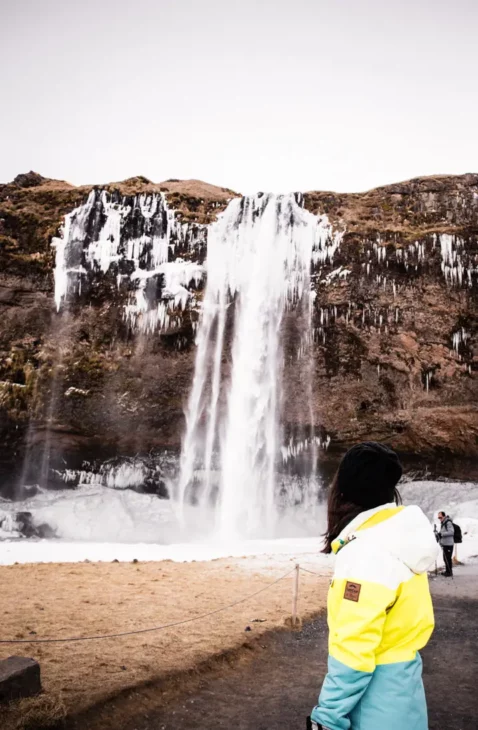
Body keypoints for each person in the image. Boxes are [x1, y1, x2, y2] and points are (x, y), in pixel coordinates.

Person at [308, 442, 439, 730]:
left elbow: (354, 648)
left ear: (344, 491)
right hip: (404, 697)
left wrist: (326, 717)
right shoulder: (398, 540)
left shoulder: (367, 551)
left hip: (374, 709)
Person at [437, 511, 454, 577]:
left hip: (449, 544)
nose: (440, 519)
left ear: (444, 516)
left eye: (440, 517)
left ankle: (449, 572)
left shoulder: (448, 523)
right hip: (445, 544)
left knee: (448, 558)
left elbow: (451, 532)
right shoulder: (443, 523)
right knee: (445, 558)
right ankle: (447, 571)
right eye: (438, 518)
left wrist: (442, 534)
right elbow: (442, 532)